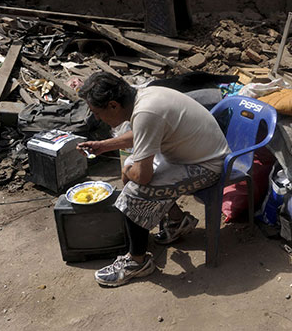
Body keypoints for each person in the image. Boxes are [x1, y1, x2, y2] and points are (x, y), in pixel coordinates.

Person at [77, 72, 230, 287]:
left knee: (134, 192)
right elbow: (144, 134)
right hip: (190, 155)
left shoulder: (146, 111)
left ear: (113, 105)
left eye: (97, 113)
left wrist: (127, 171)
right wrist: (104, 146)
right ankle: (178, 221)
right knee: (136, 168)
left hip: (207, 165)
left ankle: (137, 262)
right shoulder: (143, 97)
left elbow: (143, 176)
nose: (98, 119)